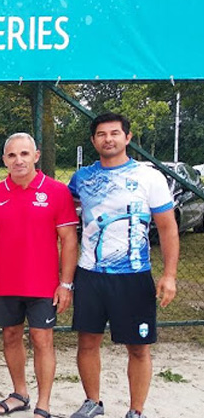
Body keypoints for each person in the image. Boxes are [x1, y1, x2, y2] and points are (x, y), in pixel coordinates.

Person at [67, 113, 178, 418]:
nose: (108, 139)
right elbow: (62, 218)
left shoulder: (149, 177)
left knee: (138, 348)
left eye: (115, 133)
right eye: (101, 134)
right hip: (90, 275)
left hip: (134, 277)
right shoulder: (82, 179)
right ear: (93, 141)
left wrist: (169, 275)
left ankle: (136, 410)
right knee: (87, 342)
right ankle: (93, 402)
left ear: (127, 138)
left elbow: (168, 228)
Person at [0, 132, 78, 418]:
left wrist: (65, 284)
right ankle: (20, 393)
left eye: (24, 154)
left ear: (36, 155)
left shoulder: (57, 192)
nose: (18, 160)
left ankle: (43, 403)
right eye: (12, 155)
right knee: (10, 336)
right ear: (4, 160)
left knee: (42, 339)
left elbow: (69, 240)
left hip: (44, 284)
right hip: (6, 283)